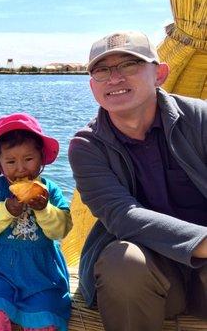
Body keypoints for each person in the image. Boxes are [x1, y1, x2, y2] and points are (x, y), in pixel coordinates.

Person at [68, 31, 207, 331]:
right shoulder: (87, 146)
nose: (114, 78)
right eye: (102, 70)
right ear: (92, 86)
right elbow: (122, 216)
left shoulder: (200, 120)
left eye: (129, 65)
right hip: (149, 272)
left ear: (160, 73)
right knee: (123, 262)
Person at [0, 113, 72, 331]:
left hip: (41, 273)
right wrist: (5, 209)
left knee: (44, 317)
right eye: (11, 162)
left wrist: (44, 209)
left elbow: (60, 230)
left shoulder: (49, 190)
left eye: (28, 159)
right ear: (0, 163)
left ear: (41, 157)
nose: (21, 169)